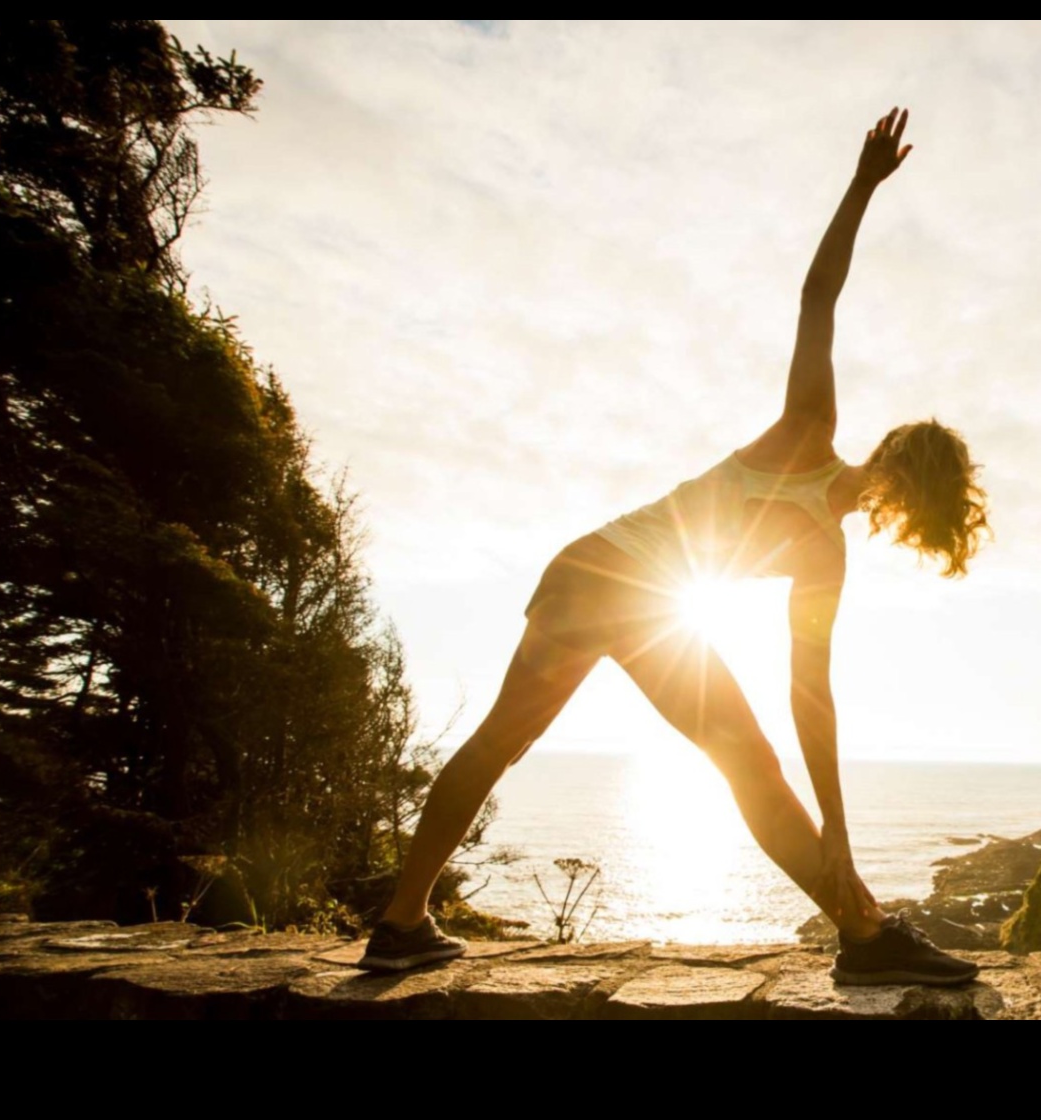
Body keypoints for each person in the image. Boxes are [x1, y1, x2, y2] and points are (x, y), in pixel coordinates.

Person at [359, 107, 989, 985]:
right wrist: (859, 188)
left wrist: (840, 825)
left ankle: (400, 922)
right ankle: (865, 935)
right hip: (636, 596)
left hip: (595, 575)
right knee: (747, 763)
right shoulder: (810, 440)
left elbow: (813, 698)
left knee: (508, 741)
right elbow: (817, 298)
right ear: (915, 502)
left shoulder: (822, 533)